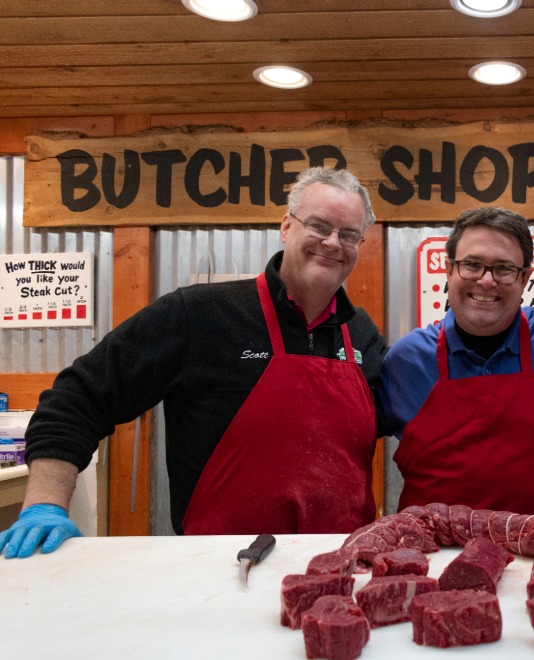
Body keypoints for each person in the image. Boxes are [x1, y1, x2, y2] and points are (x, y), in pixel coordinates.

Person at [0, 167, 387, 558]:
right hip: (218, 571)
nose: (333, 242)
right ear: (286, 227)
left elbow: (416, 422)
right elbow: (78, 398)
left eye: (349, 234)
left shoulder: (362, 335)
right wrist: (44, 505)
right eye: (319, 226)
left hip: (340, 567)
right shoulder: (198, 315)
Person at [376, 207, 534, 529]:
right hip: (436, 565)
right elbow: (348, 445)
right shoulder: (407, 360)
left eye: (503, 268)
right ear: (449, 270)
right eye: (472, 265)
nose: (486, 281)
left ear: (525, 277)